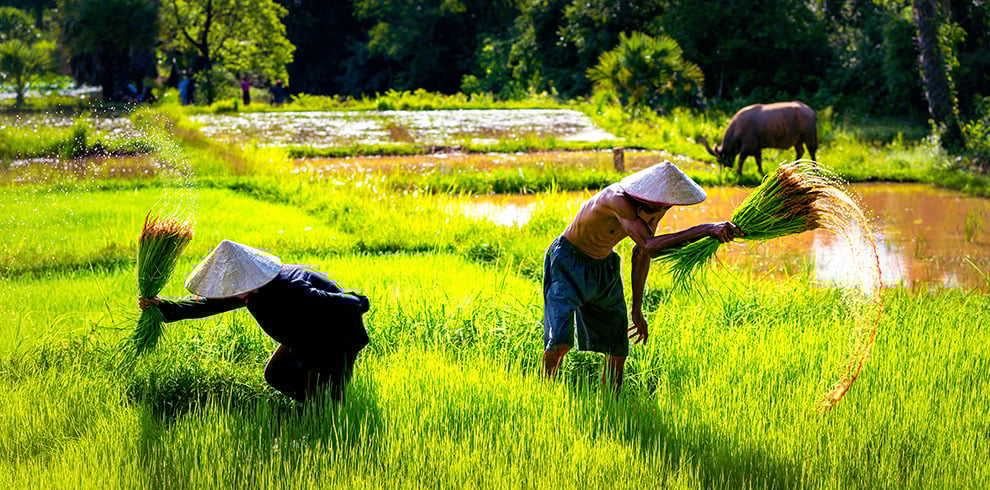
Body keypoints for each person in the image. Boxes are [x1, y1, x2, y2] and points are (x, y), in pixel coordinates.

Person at [542, 161, 742, 393]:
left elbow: (641, 254)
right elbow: (649, 245)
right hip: (569, 261)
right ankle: (544, 393)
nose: (663, 208)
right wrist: (706, 229)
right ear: (647, 193)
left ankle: (612, 403)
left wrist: (637, 308)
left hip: (604, 267)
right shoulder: (617, 199)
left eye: (667, 203)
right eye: (661, 202)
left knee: (617, 348)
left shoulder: (657, 209)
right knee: (560, 343)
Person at [138, 240, 371, 403]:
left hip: (334, 336)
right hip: (303, 336)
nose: (233, 292)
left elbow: (328, 301)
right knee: (277, 374)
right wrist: (163, 307)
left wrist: (360, 302)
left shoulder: (291, 287)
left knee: (321, 399)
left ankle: (326, 415)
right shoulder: (250, 291)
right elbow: (208, 305)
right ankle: (318, 407)